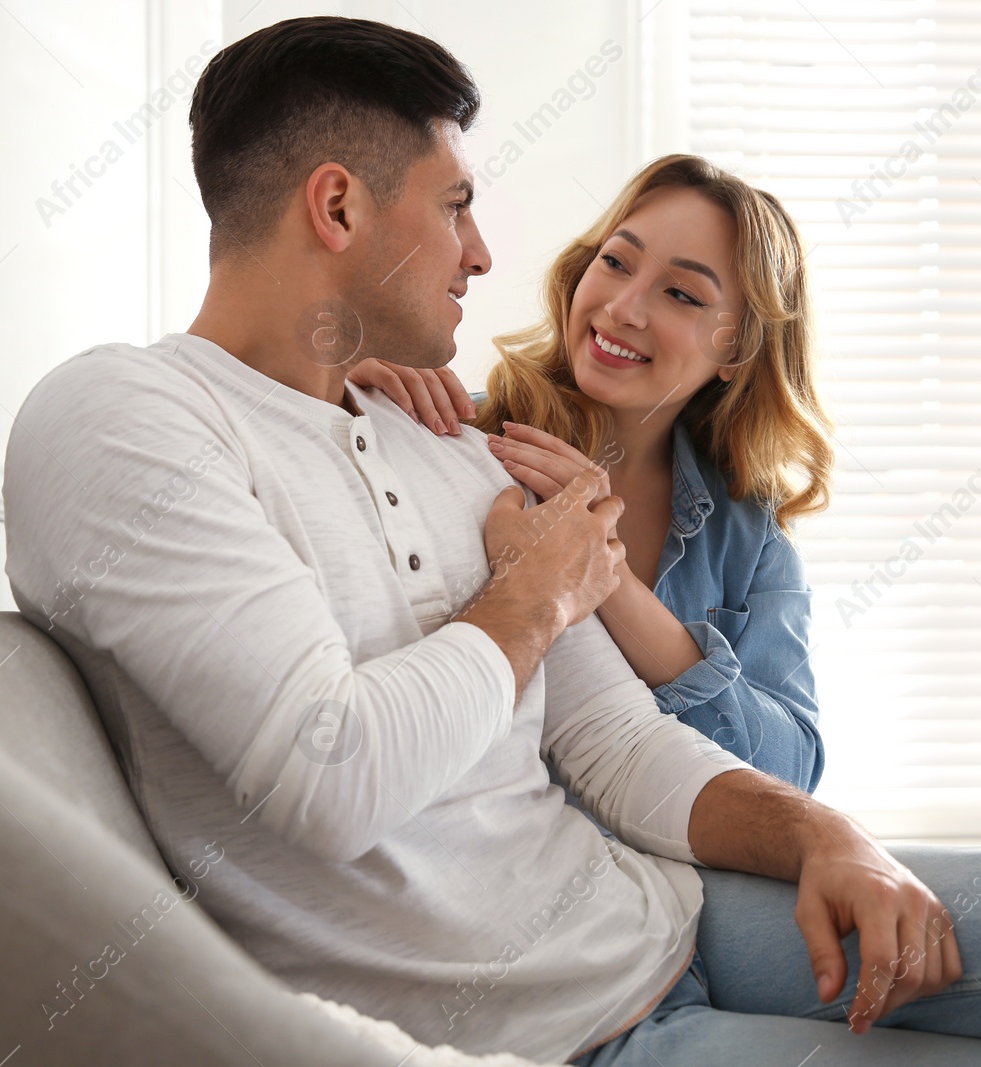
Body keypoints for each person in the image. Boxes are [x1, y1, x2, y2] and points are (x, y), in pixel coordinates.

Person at [2, 15, 981, 1066]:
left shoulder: (440, 438)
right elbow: (332, 771)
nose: (485, 255)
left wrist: (827, 837)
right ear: (340, 210)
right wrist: (533, 593)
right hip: (555, 1020)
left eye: (682, 290)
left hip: (663, 914)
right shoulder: (128, 419)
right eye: (456, 205)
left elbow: (620, 739)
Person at [348, 153, 831, 793]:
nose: (623, 309)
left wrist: (610, 582)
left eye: (681, 294)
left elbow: (788, 774)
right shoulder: (459, 435)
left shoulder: (751, 536)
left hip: (680, 870)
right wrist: (333, 393)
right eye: (616, 263)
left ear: (736, 350)